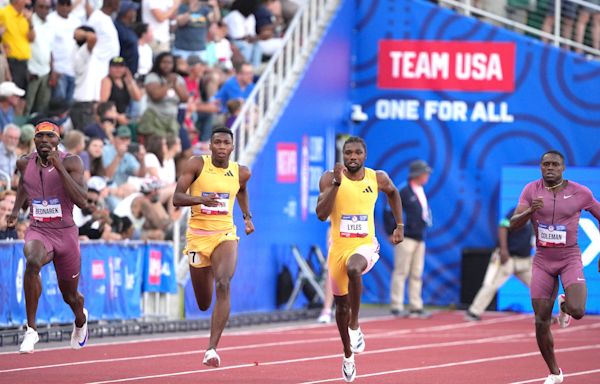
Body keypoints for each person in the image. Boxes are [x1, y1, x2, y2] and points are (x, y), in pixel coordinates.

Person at [315, 136, 404, 383]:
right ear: (343, 156)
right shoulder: (329, 178)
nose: (352, 157)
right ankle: (347, 356)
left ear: (365, 156)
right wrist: (335, 182)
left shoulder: (377, 178)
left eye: (357, 153)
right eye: (348, 153)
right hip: (338, 249)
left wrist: (399, 225)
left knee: (355, 268)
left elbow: (394, 193)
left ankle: (355, 325)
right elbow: (321, 215)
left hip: (365, 245)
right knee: (340, 308)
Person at [509, 150, 600, 384]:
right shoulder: (531, 190)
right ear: (540, 167)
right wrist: (531, 210)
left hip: (569, 257)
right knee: (540, 320)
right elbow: (513, 224)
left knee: (578, 310)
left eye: (554, 164)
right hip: (542, 260)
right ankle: (554, 372)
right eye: (545, 164)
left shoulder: (581, 192)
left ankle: (565, 306)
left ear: (563, 168)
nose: (550, 168)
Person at [173, 126, 254, 368]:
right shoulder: (197, 165)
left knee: (223, 283)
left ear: (232, 147)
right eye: (216, 142)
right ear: (209, 146)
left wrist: (247, 217)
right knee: (204, 303)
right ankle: (207, 271)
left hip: (224, 234)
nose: (221, 147)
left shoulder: (241, 172)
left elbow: (241, 191)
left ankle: (211, 349)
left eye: (225, 143)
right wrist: (200, 199)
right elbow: (177, 198)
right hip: (198, 237)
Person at [7, 121, 89, 354]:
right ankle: (31, 330)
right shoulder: (24, 162)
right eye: (40, 136)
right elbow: (25, 184)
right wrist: (15, 211)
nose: (45, 140)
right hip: (39, 229)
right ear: (34, 141)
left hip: (65, 234)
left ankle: (80, 320)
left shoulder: (72, 162)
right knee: (32, 260)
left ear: (58, 141)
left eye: (50, 137)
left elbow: (82, 200)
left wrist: (59, 168)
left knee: (70, 296)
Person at [465, 207, 533, 321]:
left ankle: (544, 315)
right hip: (507, 257)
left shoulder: (541, 215)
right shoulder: (520, 209)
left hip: (524, 260)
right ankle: (474, 311)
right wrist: (503, 249)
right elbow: (503, 226)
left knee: (538, 286)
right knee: (491, 284)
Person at [385, 159, 432, 318]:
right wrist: (392, 231)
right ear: (417, 174)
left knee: (416, 273)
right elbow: (388, 209)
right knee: (401, 271)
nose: (427, 176)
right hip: (406, 238)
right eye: (425, 173)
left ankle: (415, 305)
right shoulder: (403, 190)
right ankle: (396, 305)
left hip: (419, 237)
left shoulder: (420, 189)